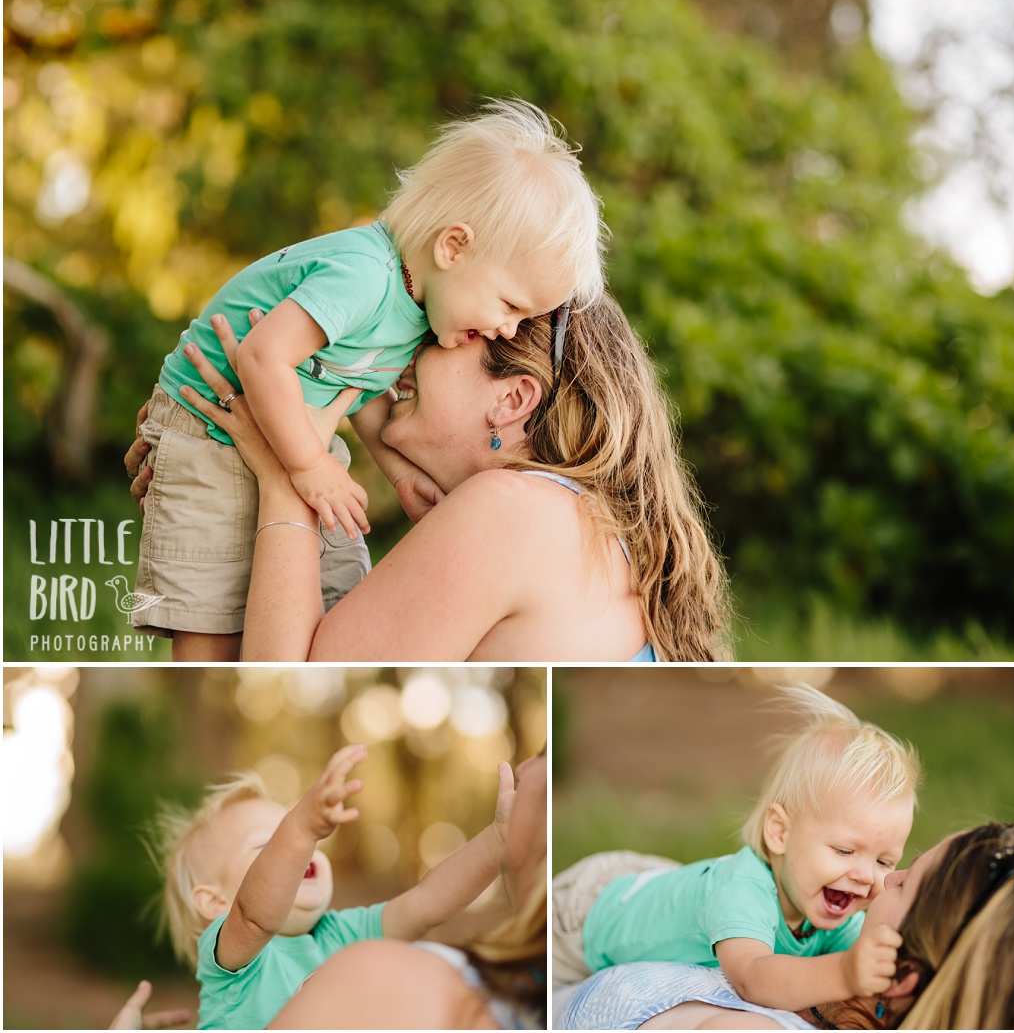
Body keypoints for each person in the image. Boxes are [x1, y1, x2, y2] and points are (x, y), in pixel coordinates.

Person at [128, 97, 607, 662]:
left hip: (290, 432)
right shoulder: (362, 275)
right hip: (212, 422)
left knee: (337, 596)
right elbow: (261, 357)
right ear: (453, 246)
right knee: (213, 625)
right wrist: (310, 468)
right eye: (510, 305)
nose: (507, 330)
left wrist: (399, 472)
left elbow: (358, 387)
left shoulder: (414, 305)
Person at [127, 292, 731, 661]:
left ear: (514, 398)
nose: (410, 348)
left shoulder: (511, 512)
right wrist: (208, 463)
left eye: (451, 335)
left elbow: (285, 682)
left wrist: (285, 471)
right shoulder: (572, 522)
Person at [115, 750, 550, 1030]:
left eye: (293, 835)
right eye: (270, 845)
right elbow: (255, 913)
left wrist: (498, 840)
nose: (296, 849)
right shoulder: (232, 960)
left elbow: (424, 905)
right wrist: (300, 828)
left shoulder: (338, 934)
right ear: (213, 902)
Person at [553, 686, 922, 1013]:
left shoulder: (830, 909)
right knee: (517, 990)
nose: (863, 874)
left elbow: (864, 966)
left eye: (883, 860)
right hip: (586, 916)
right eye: (844, 851)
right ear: (779, 833)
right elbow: (752, 979)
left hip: (671, 889)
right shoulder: (744, 892)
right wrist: (844, 972)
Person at [554, 821, 1014, 1030]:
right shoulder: (837, 970)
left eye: (905, 883)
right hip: (628, 898)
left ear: (901, 976)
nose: (886, 880)